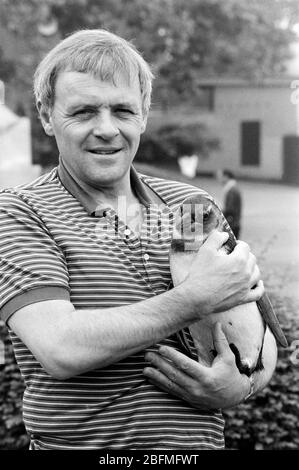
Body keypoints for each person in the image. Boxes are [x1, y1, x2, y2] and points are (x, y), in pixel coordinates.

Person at [0, 29, 266, 451]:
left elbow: (258, 332)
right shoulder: (18, 211)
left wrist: (241, 383)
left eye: (122, 110)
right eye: (84, 111)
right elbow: (60, 347)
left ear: (143, 113)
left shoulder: (192, 206)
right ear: (47, 116)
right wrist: (196, 298)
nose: (106, 129)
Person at [221, 169, 242, 238]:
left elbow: (230, 209)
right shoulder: (232, 188)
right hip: (234, 222)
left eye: (221, 176)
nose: (220, 179)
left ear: (226, 177)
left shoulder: (231, 190)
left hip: (232, 224)